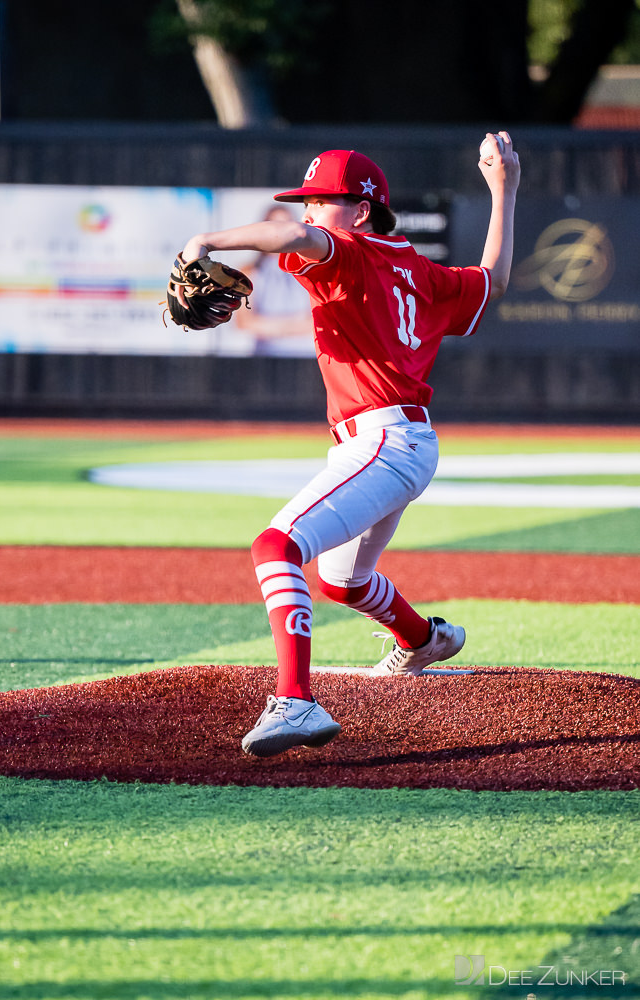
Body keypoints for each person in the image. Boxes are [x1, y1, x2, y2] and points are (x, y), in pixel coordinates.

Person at [182, 136, 521, 758]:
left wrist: (206, 242)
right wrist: (505, 189)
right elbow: (493, 282)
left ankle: (295, 701)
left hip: (384, 441)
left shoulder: (349, 251)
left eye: (321, 202)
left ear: (361, 210)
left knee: (274, 545)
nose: (310, 213)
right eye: (306, 202)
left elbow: (292, 239)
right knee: (343, 580)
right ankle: (425, 640)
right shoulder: (418, 268)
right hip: (401, 442)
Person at [234, 205, 314, 356]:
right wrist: (295, 326)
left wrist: (269, 326)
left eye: (285, 225)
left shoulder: (311, 269)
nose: (279, 233)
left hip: (305, 357)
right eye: (274, 226)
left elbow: (318, 322)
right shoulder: (248, 271)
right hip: (265, 357)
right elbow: (244, 322)